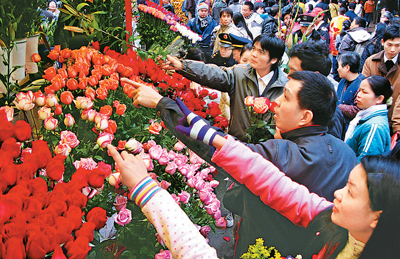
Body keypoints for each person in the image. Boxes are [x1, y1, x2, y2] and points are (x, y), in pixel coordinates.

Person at [121, 71, 357, 258]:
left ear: (305, 117)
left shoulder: (280, 153)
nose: (274, 102)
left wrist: (163, 104)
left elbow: (217, 147)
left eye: (285, 96)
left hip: (262, 246)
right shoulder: (347, 154)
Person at [156, 34, 287, 142]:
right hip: (237, 144)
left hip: (267, 153)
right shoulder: (239, 73)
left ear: (274, 59)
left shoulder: (285, 87)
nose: (254, 54)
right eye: (253, 49)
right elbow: (211, 73)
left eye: (261, 52)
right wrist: (182, 65)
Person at [288, 38, 346, 139]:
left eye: (294, 71)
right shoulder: (300, 100)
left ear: (315, 75)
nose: (288, 75)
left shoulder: (331, 115)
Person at [362, 25, 400, 134]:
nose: (393, 49)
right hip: (372, 119)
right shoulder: (371, 62)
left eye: (397, 45)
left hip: (395, 121)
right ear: (383, 42)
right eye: (390, 45)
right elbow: (364, 89)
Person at [345, 76, 392, 162]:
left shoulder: (374, 127)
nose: (358, 95)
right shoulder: (367, 118)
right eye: (359, 91)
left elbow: (366, 163)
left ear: (380, 99)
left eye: (364, 92)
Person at [337, 52, 365, 126]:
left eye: (339, 66)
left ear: (347, 68)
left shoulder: (363, 84)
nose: (337, 69)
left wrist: (339, 107)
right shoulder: (343, 80)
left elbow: (360, 109)